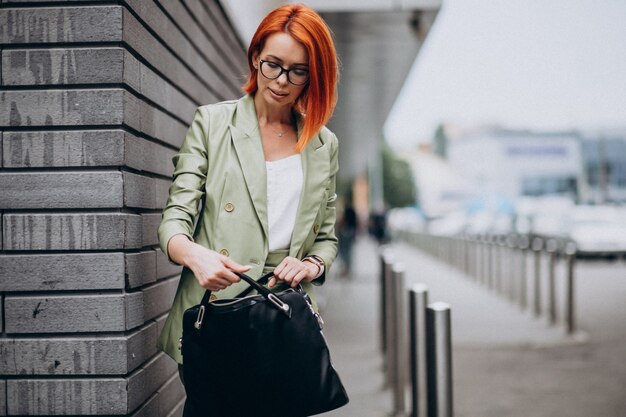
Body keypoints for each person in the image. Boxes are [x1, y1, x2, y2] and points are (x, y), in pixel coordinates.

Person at [156, 1, 340, 395]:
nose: (281, 80)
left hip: (282, 321)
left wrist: (310, 265)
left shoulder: (323, 144)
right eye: (272, 64)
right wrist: (196, 256)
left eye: (298, 71)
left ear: (313, 77)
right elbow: (174, 220)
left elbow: (326, 237)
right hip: (217, 311)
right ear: (255, 57)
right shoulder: (212, 124)